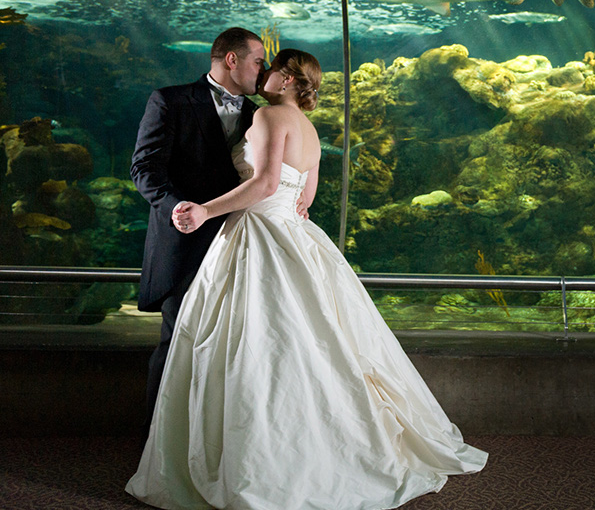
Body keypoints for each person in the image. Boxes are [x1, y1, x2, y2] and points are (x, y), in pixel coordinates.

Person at [126, 49, 487, 509]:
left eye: (273, 68)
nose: (266, 74)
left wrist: (204, 211)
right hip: (295, 236)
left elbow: (266, 185)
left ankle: (260, 460)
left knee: (254, 346)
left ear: (290, 79)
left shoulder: (271, 116)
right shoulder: (312, 131)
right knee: (312, 341)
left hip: (256, 233)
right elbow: (305, 197)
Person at [131, 27, 279, 433]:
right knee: (178, 340)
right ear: (232, 60)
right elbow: (144, 169)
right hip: (186, 242)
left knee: (238, 347)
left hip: (244, 246)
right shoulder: (170, 100)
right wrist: (176, 206)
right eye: (257, 61)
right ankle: (156, 447)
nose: (261, 70)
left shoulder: (260, 114)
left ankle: (219, 445)